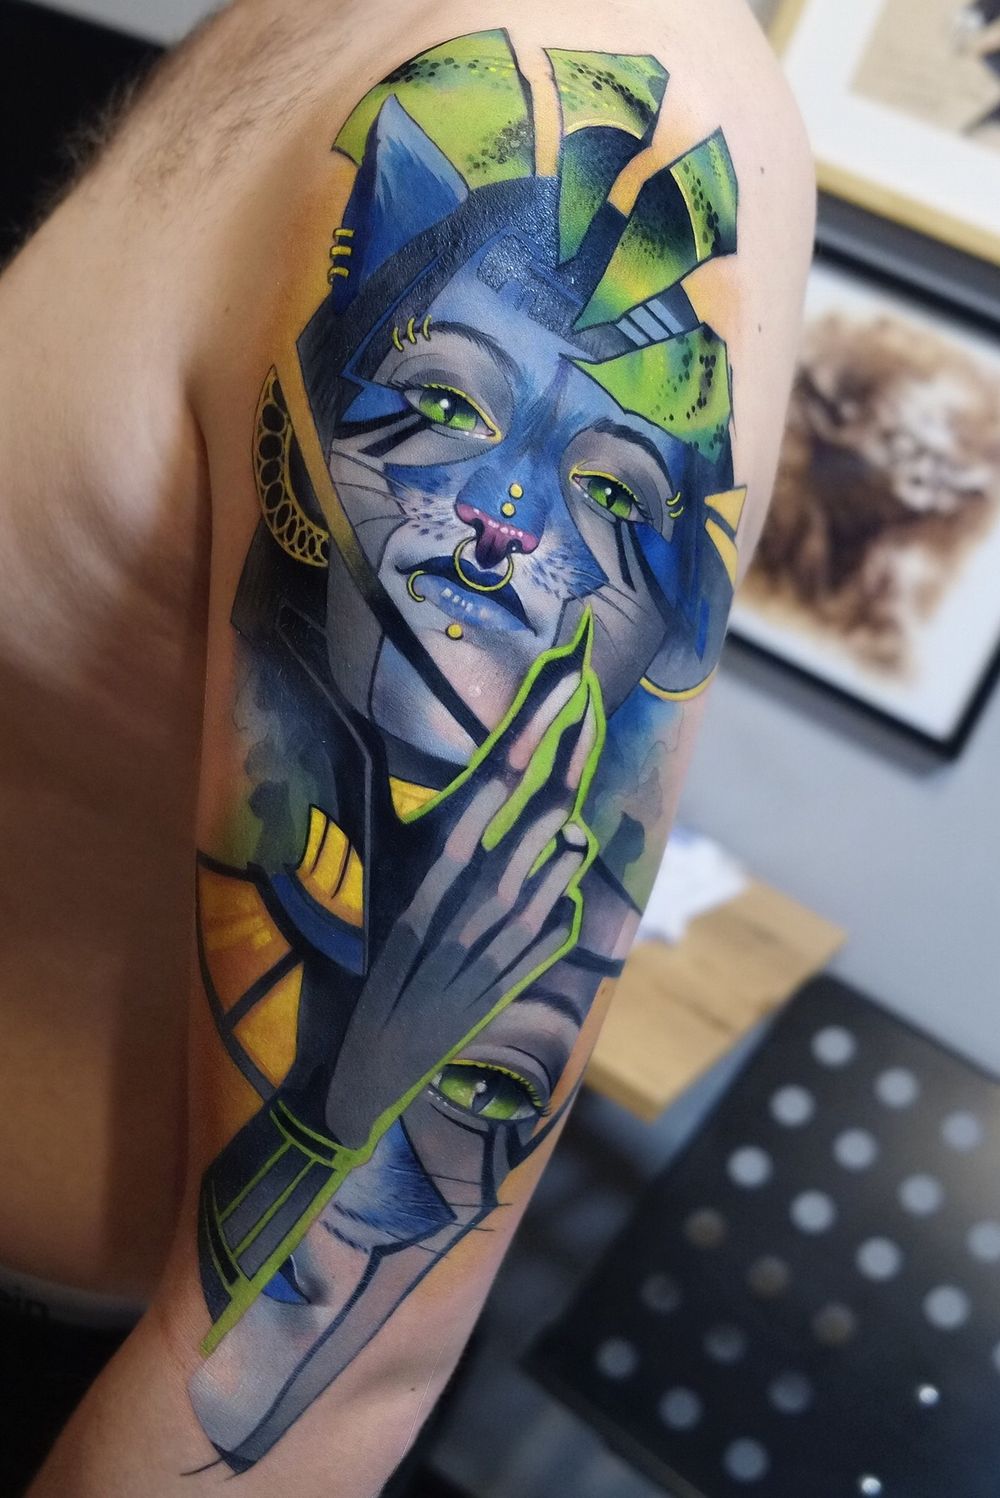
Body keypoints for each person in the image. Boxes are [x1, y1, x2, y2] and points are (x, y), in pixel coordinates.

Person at [0, 0, 814, 1491]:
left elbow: (314, 1382)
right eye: (445, 403)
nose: (503, 522)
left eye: (607, 492)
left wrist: (355, 1090)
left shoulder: (630, 66)